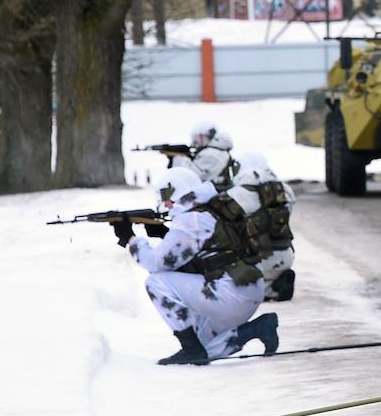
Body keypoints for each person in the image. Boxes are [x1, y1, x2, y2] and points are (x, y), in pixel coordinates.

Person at [116, 166, 278, 365]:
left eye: (165, 196)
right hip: (245, 289)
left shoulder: (191, 220)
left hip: (231, 294)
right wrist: (165, 234)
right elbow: (203, 252)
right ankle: (257, 329)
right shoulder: (212, 209)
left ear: (176, 192)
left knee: (156, 282)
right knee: (205, 349)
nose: (164, 203)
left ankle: (190, 349)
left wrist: (131, 239)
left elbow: (157, 263)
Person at [230, 151, 297, 302]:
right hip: (286, 253)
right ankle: (274, 284)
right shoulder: (284, 189)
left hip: (258, 258)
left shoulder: (236, 193)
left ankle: (268, 289)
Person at [172, 120, 235, 187]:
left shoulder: (212, 154)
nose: (194, 141)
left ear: (204, 136)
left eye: (196, 137)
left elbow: (189, 177)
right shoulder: (216, 152)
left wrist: (178, 157)